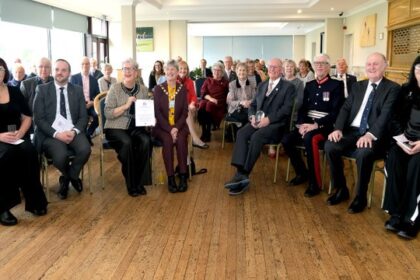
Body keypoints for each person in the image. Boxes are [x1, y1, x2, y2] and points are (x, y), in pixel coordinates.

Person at [325, 52, 400, 213]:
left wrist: (370, 134)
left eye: (376, 64)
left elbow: (386, 115)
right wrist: (337, 128)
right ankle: (341, 189)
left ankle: (360, 197)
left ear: (385, 66)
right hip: (352, 131)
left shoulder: (393, 88)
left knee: (363, 153)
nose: (371, 67)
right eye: (369, 64)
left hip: (375, 135)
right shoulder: (358, 86)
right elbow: (345, 109)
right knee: (330, 146)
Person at [225, 58, 296, 195]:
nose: (272, 69)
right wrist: (251, 117)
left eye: (276, 67)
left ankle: (244, 174)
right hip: (257, 121)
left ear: (281, 70)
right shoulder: (262, 85)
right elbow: (253, 105)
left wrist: (268, 120)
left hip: (276, 125)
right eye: (270, 67)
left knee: (257, 137)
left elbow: (286, 110)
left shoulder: (288, 87)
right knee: (242, 133)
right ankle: (239, 172)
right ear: (267, 69)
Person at [282, 54, 345, 197]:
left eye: (323, 63)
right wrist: (302, 124)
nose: (320, 66)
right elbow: (303, 108)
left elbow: (336, 113)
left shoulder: (336, 85)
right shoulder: (309, 85)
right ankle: (301, 173)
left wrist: (316, 125)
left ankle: (314, 183)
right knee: (287, 140)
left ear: (329, 66)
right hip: (308, 124)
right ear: (314, 66)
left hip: (325, 126)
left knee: (310, 138)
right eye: (317, 63)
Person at [33, 59, 91, 200]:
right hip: (51, 134)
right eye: (57, 69)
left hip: (72, 131)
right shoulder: (42, 90)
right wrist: (57, 134)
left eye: (63, 70)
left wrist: (74, 131)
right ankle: (71, 177)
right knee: (60, 156)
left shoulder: (77, 90)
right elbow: (38, 119)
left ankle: (68, 177)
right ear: (54, 71)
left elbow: (84, 117)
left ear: (69, 73)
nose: (59, 73)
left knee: (85, 149)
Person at [0, 58, 48, 226]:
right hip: (0, 139)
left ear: (5, 73)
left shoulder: (14, 91)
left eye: (1, 69)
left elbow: (27, 116)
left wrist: (21, 131)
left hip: (18, 135)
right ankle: (3, 207)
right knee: (7, 155)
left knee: (29, 151)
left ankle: (35, 202)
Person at [383, 56, 420, 240]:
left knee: (416, 165)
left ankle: (412, 219)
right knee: (394, 158)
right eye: (418, 69)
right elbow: (394, 118)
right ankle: (396, 213)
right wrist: (402, 139)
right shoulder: (406, 90)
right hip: (405, 140)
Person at [104, 58, 152, 197]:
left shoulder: (143, 90)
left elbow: (146, 110)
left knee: (146, 141)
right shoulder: (115, 88)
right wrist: (125, 106)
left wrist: (150, 118)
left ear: (136, 72)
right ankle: (132, 184)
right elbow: (107, 113)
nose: (127, 71)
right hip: (115, 127)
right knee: (127, 143)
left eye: (130, 69)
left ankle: (140, 181)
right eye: (124, 69)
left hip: (136, 127)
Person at [153, 60, 189, 193]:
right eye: (167, 69)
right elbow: (157, 112)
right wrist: (170, 129)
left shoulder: (182, 88)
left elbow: (185, 111)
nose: (170, 72)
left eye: (173, 69)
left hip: (180, 126)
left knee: (180, 140)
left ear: (177, 72)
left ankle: (183, 176)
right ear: (165, 71)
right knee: (167, 141)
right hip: (162, 127)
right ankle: (171, 178)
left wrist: (176, 128)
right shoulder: (158, 89)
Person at [268, 59, 304, 158]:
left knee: (286, 122)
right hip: (278, 110)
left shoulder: (299, 83)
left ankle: (284, 145)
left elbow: (299, 100)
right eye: (287, 66)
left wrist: (286, 107)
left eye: (291, 67)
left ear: (294, 69)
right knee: (273, 119)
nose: (289, 68)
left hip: (292, 112)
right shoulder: (279, 80)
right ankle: (272, 145)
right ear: (283, 69)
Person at [177, 60, 208, 149]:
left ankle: (192, 140)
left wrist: (192, 103)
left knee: (190, 110)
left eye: (185, 69)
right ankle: (195, 139)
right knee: (188, 112)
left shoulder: (190, 81)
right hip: (176, 108)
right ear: (177, 70)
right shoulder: (174, 81)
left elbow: (194, 96)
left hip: (188, 107)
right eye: (181, 68)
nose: (183, 70)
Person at [70, 56, 100, 144]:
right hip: (79, 105)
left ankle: (88, 133)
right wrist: (81, 103)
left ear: (90, 65)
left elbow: (97, 94)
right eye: (83, 64)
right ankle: (83, 138)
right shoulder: (74, 78)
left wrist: (92, 102)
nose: (85, 66)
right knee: (83, 119)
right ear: (80, 65)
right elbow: (71, 94)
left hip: (90, 104)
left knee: (98, 116)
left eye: (87, 64)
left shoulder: (94, 80)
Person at [197, 62, 229, 142]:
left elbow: (228, 95)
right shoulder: (208, 80)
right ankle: (204, 131)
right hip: (209, 99)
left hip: (219, 103)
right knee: (202, 104)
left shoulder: (225, 82)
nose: (217, 72)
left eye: (219, 70)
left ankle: (207, 132)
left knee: (209, 105)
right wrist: (211, 98)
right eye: (215, 70)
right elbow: (203, 93)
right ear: (212, 71)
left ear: (222, 72)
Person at [226, 62, 256, 136]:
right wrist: (241, 102)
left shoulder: (252, 83)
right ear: (236, 72)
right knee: (248, 116)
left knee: (252, 114)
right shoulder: (232, 84)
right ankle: (243, 136)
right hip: (236, 109)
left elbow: (255, 98)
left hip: (249, 107)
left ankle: (243, 136)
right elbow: (230, 101)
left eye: (244, 70)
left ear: (247, 72)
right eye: (240, 70)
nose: (242, 72)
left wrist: (249, 102)